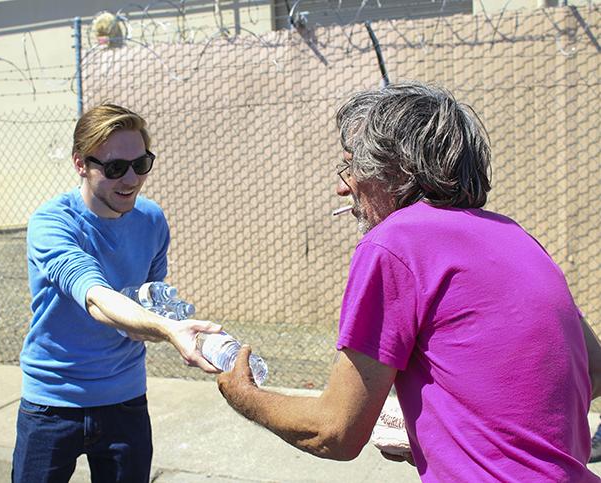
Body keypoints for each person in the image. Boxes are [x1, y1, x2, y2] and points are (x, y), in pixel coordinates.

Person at [217, 82, 601, 481]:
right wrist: (449, 433)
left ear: (394, 170)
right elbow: (593, 371)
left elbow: (334, 432)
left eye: (351, 166)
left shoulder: (395, 241)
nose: (343, 185)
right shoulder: (515, 236)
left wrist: (246, 397)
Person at [11, 104, 221, 483]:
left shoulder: (151, 220)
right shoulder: (52, 222)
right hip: (52, 403)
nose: (131, 179)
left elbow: (147, 299)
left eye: (141, 165)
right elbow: (95, 296)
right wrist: (168, 330)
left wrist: (168, 324)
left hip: (124, 401)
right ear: (80, 164)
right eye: (114, 168)